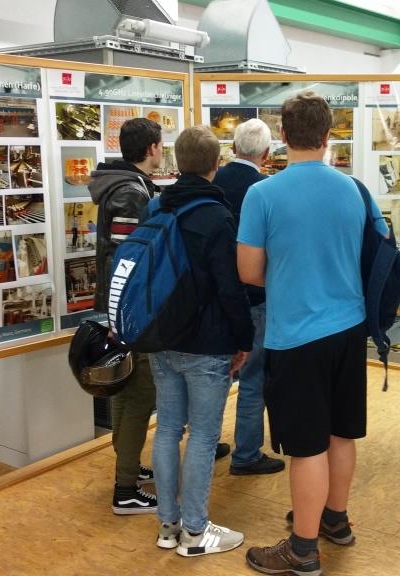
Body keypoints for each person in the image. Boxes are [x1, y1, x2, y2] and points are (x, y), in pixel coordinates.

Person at [238, 91, 388, 575]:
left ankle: (302, 549)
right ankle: (334, 520)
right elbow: (378, 252)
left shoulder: (263, 194)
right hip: (350, 329)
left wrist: (290, 278)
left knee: (306, 446)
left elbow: (249, 271)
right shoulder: (354, 190)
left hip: (296, 333)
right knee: (341, 432)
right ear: (328, 136)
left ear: (283, 136)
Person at [149, 125, 254, 557]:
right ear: (215, 164)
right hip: (207, 344)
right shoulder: (216, 216)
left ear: (178, 161)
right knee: (204, 437)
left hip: (161, 338)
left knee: (167, 430)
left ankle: (167, 526)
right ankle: (194, 533)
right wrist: (244, 339)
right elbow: (230, 288)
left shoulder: (156, 207)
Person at [88, 117, 162, 516]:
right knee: (140, 394)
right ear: (152, 148)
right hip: (132, 311)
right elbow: (127, 258)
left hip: (121, 308)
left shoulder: (126, 186)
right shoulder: (131, 194)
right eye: (160, 145)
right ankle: (126, 488)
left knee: (125, 387)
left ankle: (128, 466)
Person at [212, 118, 285, 477]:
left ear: (233, 148)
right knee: (253, 378)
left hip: (214, 298)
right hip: (255, 296)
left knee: (214, 376)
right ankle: (246, 454)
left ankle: (207, 443)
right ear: (267, 153)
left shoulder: (213, 182)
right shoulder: (268, 190)